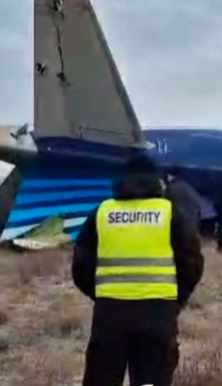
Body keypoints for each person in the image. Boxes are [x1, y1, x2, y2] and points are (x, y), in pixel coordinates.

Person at [72, 154, 204, 386]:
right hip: (158, 313)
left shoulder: (102, 213)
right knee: (151, 380)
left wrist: (102, 295)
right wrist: (176, 299)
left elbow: (81, 267)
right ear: (156, 181)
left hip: (110, 315)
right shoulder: (170, 213)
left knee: (102, 379)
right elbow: (191, 262)